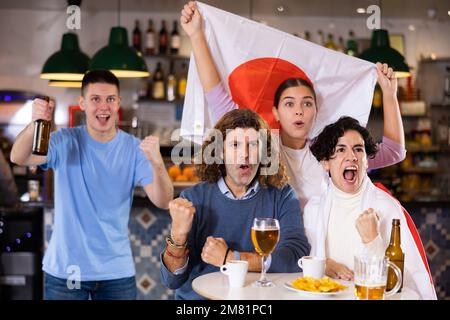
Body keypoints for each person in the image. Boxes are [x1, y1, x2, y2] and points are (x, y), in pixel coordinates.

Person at [180, 1, 406, 208]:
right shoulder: (262, 146)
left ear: (316, 112)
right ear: (276, 112)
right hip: (272, 246)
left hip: (321, 250)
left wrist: (389, 93)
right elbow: (216, 96)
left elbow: (394, 152)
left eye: (307, 103)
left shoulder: (329, 151)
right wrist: (196, 35)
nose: (299, 110)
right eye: (289, 104)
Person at [10, 70, 174, 300]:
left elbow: (164, 200)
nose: (103, 106)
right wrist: (35, 123)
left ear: (118, 102)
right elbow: (19, 157)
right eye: (95, 99)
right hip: (67, 270)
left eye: (110, 99)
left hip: (115, 272)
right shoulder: (64, 141)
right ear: (83, 103)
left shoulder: (134, 149)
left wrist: (157, 164)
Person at [160, 109, 310, 300]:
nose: (245, 154)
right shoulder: (193, 198)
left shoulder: (282, 196)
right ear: (220, 152)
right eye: (235, 145)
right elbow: (172, 281)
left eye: (253, 145)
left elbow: (295, 257)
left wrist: (232, 258)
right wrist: (178, 237)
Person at [304, 116, 437, 300]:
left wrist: (373, 241)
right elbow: (301, 267)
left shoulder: (385, 207)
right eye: (341, 149)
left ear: (366, 161)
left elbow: (406, 284)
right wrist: (323, 264)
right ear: (325, 162)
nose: (352, 156)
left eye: (358, 149)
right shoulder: (314, 209)